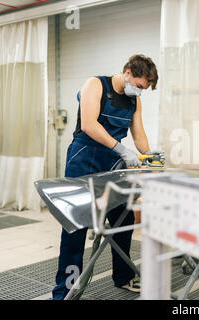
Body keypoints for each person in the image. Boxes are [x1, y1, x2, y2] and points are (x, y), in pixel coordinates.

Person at [52, 54, 163, 300]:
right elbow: (90, 125)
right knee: (75, 225)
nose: (140, 92)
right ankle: (66, 289)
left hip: (112, 163)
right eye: (140, 85)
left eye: (144, 89)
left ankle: (123, 277)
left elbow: (139, 135)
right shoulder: (96, 84)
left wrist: (148, 153)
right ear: (127, 72)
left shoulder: (134, 101)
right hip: (83, 158)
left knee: (122, 220)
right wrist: (122, 150)